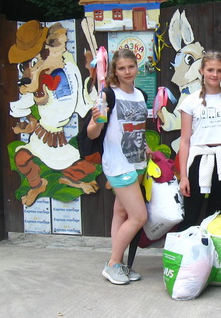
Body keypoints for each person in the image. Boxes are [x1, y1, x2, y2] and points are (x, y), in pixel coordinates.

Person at [87, 49, 149, 285]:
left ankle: (119, 264)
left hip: (138, 162)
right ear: (115, 70)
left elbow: (138, 127)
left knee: (121, 213)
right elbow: (92, 133)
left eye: (131, 67)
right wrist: (96, 120)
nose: (127, 72)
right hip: (118, 163)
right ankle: (113, 263)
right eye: (122, 68)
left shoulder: (141, 95)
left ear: (137, 67)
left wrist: (146, 147)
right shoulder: (107, 95)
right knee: (139, 216)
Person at [176, 51, 221, 230]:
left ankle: (210, 248)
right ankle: (186, 247)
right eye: (210, 70)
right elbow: (185, 140)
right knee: (191, 213)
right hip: (199, 159)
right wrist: (183, 176)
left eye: (219, 71)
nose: (214, 74)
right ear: (201, 71)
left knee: (215, 215)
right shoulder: (190, 101)